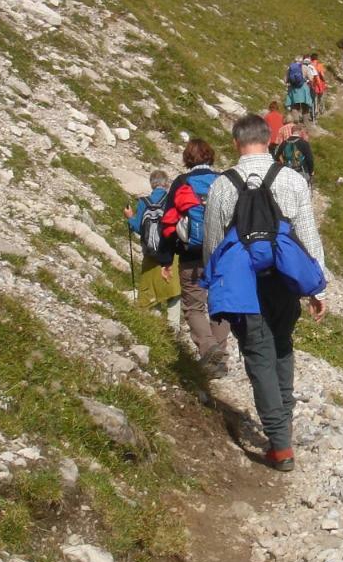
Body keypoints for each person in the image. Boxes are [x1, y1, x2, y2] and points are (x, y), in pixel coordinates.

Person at [204, 115, 328, 472]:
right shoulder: (291, 179)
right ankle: (283, 425)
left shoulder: (222, 186)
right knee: (282, 346)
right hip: (285, 281)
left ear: (235, 143)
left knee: (259, 354)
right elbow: (307, 237)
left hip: (245, 285)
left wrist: (215, 284)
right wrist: (319, 288)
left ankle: (280, 444)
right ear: (269, 138)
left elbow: (214, 244)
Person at [160, 139, 230, 373]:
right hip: (222, 256)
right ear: (211, 156)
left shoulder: (182, 183)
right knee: (221, 306)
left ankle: (209, 348)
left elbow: (168, 223)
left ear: (187, 159)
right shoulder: (224, 181)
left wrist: (166, 259)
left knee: (194, 307)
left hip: (191, 255)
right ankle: (219, 362)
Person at [124, 170, 181, 329]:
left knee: (151, 291)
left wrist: (129, 216)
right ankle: (173, 328)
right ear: (167, 183)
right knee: (173, 291)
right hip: (170, 254)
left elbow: (138, 227)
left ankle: (156, 325)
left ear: (151, 184)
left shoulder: (144, 202)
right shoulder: (171, 200)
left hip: (150, 255)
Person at [285, 56, 314, 122]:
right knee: (305, 105)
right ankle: (305, 121)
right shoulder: (305, 67)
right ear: (302, 61)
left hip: (293, 89)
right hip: (303, 88)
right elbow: (311, 78)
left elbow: (285, 80)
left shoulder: (290, 68)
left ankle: (295, 121)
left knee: (295, 106)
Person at [309, 52, 327, 118]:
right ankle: (320, 110)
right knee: (321, 97)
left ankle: (314, 110)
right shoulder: (319, 65)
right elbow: (322, 74)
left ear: (311, 58)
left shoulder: (310, 66)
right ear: (317, 58)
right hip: (320, 83)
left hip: (313, 83)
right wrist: (325, 80)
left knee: (314, 98)